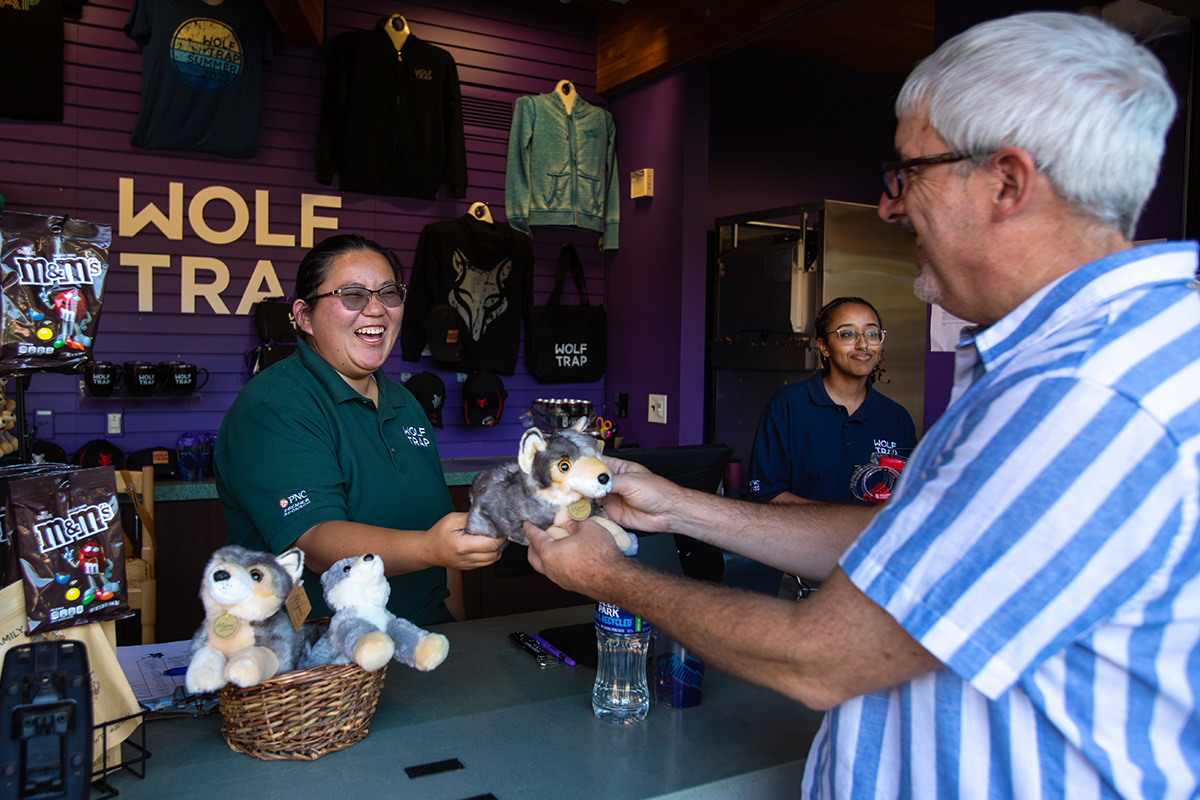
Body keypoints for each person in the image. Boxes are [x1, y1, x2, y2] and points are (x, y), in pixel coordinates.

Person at [524, 12, 1197, 798]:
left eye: (907, 173)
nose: (888, 206)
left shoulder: (1082, 395)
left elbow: (821, 656)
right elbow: (911, 541)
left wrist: (612, 580)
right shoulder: (1111, 352)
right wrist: (681, 509)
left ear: (1007, 183)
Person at [215, 234, 504, 625]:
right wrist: (429, 548)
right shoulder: (273, 406)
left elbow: (440, 534)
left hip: (426, 639)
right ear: (304, 316)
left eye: (389, 293)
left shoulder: (407, 404)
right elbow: (315, 541)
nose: (376, 309)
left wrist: (459, 631)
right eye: (352, 295)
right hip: (326, 657)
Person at [747, 296, 917, 505]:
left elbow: (908, 496)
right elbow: (767, 492)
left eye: (872, 334)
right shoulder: (789, 405)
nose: (863, 344)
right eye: (848, 334)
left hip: (871, 538)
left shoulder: (897, 418)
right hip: (801, 537)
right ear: (824, 347)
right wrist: (841, 525)